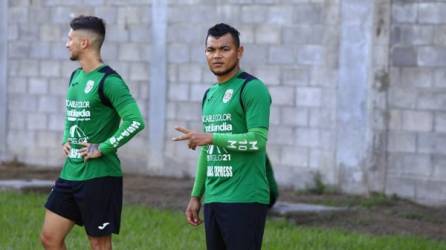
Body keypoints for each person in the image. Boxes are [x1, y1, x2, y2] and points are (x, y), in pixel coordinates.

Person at [40, 15, 145, 250]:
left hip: (100, 177)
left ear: (84, 43)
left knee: (98, 244)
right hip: (70, 173)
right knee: (49, 238)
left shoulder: (110, 81)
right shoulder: (76, 76)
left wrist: (104, 147)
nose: (67, 44)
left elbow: (135, 121)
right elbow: (71, 113)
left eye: (70, 39)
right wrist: (66, 137)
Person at [173, 23, 277, 250]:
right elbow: (207, 149)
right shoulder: (210, 94)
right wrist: (196, 195)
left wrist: (212, 138)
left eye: (224, 49)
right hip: (214, 199)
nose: (217, 55)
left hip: (245, 199)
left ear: (239, 52)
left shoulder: (252, 88)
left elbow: (257, 140)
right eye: (211, 50)